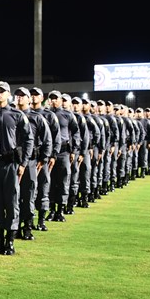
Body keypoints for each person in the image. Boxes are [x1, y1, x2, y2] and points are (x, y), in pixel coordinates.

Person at [0, 81, 32, 256]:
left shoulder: (17, 115)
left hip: (11, 164)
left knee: (11, 203)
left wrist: (24, 163)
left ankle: (10, 242)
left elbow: (28, 139)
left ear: (8, 94)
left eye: (2, 91)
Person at [13, 87, 52, 241]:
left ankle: (27, 227)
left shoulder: (37, 117)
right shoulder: (10, 115)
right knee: (12, 197)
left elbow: (47, 139)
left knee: (28, 195)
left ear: (29, 99)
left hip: (30, 161)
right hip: (12, 160)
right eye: (17, 96)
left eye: (23, 96)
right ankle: (14, 227)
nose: (20, 98)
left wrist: (44, 158)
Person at [46, 90, 81, 222]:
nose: (54, 101)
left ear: (61, 100)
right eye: (51, 98)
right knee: (49, 182)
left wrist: (74, 150)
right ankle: (51, 209)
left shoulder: (67, 115)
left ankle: (60, 210)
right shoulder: (45, 114)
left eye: (56, 98)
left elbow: (76, 132)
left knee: (63, 181)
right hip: (48, 153)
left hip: (63, 152)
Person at [29, 87, 60, 232]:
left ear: (42, 98)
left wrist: (51, 155)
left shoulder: (48, 115)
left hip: (41, 158)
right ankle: (27, 222)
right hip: (27, 158)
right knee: (28, 191)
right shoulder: (23, 114)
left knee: (43, 188)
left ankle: (41, 220)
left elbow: (54, 137)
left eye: (37, 95)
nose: (34, 97)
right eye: (32, 95)